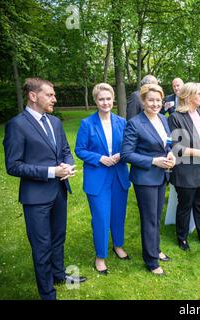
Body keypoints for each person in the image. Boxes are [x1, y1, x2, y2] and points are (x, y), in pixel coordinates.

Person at [3, 77, 86, 300]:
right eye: (50, 95)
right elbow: (13, 166)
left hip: (59, 191)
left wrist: (67, 165)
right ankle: (47, 293)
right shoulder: (17, 125)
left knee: (59, 237)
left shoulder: (55, 122)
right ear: (33, 96)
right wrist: (52, 172)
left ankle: (59, 275)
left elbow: (65, 149)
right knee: (42, 246)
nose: (55, 99)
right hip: (36, 197)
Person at [75, 83, 131, 275]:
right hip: (98, 178)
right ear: (96, 101)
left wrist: (120, 155)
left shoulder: (122, 122)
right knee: (100, 217)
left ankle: (118, 245)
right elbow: (80, 150)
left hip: (119, 175)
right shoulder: (87, 124)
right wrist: (100, 158)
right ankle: (100, 256)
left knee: (118, 214)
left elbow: (129, 147)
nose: (105, 102)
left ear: (113, 99)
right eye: (101, 99)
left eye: (108, 98)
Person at [121, 84, 175, 275]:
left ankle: (156, 249)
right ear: (143, 102)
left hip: (161, 175)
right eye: (151, 100)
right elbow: (126, 154)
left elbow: (167, 143)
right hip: (145, 178)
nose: (155, 104)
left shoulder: (163, 119)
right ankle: (151, 261)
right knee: (149, 218)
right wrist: (154, 161)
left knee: (156, 216)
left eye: (158, 100)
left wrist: (170, 155)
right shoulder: (134, 123)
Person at [168, 82, 200, 251]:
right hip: (186, 171)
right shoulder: (175, 117)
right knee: (185, 206)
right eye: (199, 94)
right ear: (188, 97)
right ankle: (182, 238)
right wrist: (199, 153)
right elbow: (176, 147)